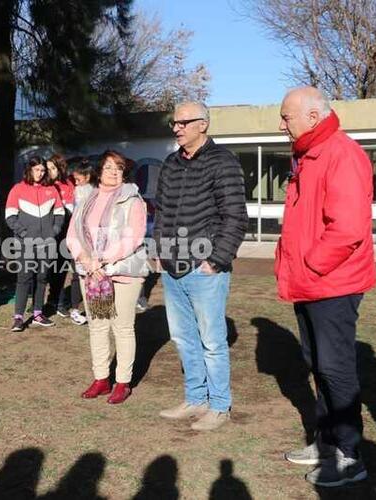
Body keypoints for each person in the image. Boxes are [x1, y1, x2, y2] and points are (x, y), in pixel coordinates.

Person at [276, 87, 376, 487]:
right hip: (311, 282)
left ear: (313, 116)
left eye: (287, 117)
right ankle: (325, 441)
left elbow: (347, 228)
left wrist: (311, 265)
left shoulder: (341, 154)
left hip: (331, 282)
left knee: (335, 368)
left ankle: (350, 455)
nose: (282, 124)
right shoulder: (308, 156)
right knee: (318, 364)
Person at [155, 101, 248, 430]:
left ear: (203, 125)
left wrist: (217, 260)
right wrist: (161, 252)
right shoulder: (170, 164)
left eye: (184, 122)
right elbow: (162, 213)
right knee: (182, 338)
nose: (177, 128)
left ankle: (219, 405)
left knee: (212, 341)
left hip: (205, 268)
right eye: (174, 123)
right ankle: (195, 399)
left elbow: (235, 217)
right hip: (172, 266)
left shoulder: (223, 162)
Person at [67, 150, 148, 404]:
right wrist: (86, 260)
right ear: (98, 171)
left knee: (121, 327)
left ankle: (122, 382)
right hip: (90, 272)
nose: (114, 172)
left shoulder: (133, 200)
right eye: (109, 167)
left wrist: (102, 260)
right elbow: (72, 235)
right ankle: (101, 378)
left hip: (122, 271)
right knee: (98, 326)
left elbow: (132, 238)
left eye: (119, 167)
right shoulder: (86, 199)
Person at [6, 156, 65, 332]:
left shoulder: (52, 189)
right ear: (29, 170)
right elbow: (10, 215)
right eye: (36, 170)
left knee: (41, 277)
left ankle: (38, 313)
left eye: (42, 170)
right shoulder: (18, 189)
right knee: (24, 278)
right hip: (26, 243)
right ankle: (18, 318)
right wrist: (23, 233)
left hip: (47, 243)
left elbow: (60, 213)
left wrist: (54, 231)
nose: (39, 173)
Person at [45, 154, 86, 326]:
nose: (49, 172)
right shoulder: (44, 185)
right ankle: (46, 303)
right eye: (47, 168)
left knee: (63, 269)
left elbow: (70, 211)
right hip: (47, 233)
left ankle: (60, 303)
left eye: (53, 168)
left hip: (66, 233)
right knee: (48, 270)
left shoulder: (68, 185)